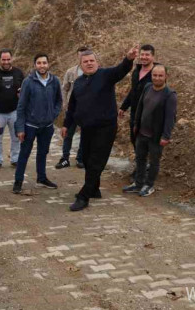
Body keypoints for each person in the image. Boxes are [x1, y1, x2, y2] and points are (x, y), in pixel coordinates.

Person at [62, 46, 138, 211]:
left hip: (105, 127)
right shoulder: (79, 82)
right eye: (85, 61)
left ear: (97, 62)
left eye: (92, 60)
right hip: (87, 128)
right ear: (80, 65)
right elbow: (73, 106)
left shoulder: (105, 75)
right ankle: (94, 189)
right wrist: (66, 125)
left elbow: (121, 70)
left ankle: (84, 196)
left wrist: (129, 58)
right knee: (88, 159)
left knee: (96, 161)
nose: (89, 63)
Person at [13, 53, 63, 194]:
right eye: (39, 63)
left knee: (43, 153)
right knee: (24, 154)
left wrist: (53, 114)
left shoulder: (55, 81)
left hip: (47, 126)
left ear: (48, 64)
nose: (42, 65)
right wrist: (20, 128)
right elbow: (21, 106)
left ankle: (41, 178)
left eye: (44, 63)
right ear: (35, 65)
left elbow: (59, 100)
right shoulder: (28, 82)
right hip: (30, 126)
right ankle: (18, 182)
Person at [125, 64, 177, 197]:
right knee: (140, 159)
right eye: (155, 75)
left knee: (154, 162)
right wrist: (136, 124)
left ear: (166, 77)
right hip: (142, 133)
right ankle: (138, 183)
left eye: (160, 75)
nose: (157, 78)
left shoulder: (169, 95)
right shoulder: (147, 87)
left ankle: (149, 185)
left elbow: (170, 118)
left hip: (156, 136)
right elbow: (140, 106)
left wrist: (166, 136)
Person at [118, 44, 158, 181]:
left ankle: (143, 173)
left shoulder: (157, 73)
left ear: (153, 56)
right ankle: (142, 166)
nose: (144, 57)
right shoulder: (137, 70)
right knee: (135, 140)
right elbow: (133, 91)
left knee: (145, 142)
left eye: (147, 55)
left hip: (149, 115)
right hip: (135, 114)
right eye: (142, 54)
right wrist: (123, 107)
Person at [0, 49, 25, 170]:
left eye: (8, 59)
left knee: (16, 137)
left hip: (14, 111)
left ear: (11, 59)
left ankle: (15, 159)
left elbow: (24, 90)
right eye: (4, 59)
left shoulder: (19, 73)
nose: (6, 62)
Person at [55, 46, 88, 170]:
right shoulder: (71, 72)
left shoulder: (93, 72)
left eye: (84, 55)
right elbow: (64, 88)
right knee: (68, 134)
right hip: (72, 108)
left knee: (85, 134)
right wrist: (65, 103)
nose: (82, 58)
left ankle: (80, 158)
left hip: (87, 109)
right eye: (80, 55)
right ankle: (65, 158)